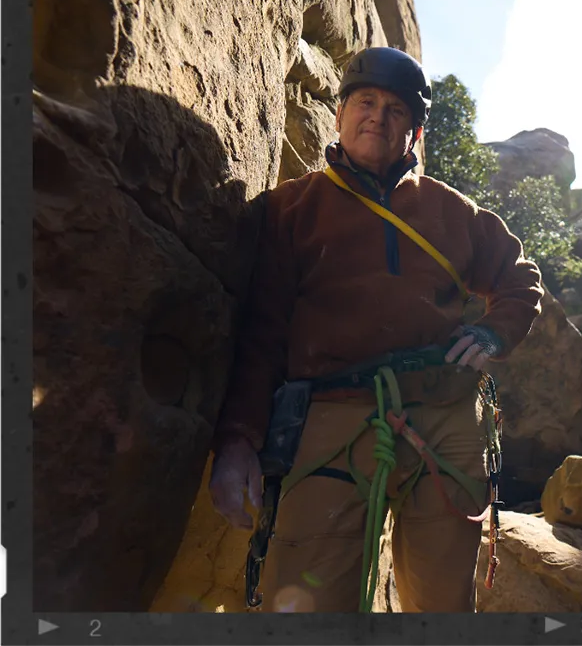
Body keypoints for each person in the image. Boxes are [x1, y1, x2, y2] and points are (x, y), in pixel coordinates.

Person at [207, 46, 545, 614]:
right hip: (330, 416)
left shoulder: (452, 211)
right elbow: (261, 334)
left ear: (413, 131)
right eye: (365, 102)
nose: (377, 118)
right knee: (301, 605)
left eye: (395, 110)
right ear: (339, 113)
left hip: (443, 420)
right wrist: (238, 440)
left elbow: (520, 279)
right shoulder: (292, 209)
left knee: (441, 606)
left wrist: (494, 334)